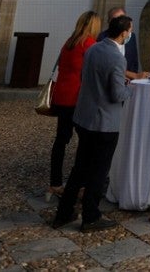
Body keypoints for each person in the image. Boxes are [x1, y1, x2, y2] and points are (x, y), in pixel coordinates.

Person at [51, 14, 131, 232]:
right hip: (104, 121)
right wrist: (129, 89)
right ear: (124, 33)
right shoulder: (117, 58)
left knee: (80, 168)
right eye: (129, 31)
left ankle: (64, 213)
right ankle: (91, 215)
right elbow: (116, 94)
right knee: (98, 170)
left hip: (84, 116)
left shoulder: (93, 49)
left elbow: (87, 78)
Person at [49, 10, 100, 197]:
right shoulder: (90, 44)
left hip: (62, 95)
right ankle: (80, 184)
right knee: (87, 141)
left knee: (61, 140)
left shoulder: (69, 43)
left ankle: (55, 182)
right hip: (77, 97)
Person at [99, 7, 144, 80]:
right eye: (116, 20)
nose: (120, 23)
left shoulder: (131, 36)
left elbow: (134, 59)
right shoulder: (102, 38)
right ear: (109, 21)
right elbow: (107, 66)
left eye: (122, 19)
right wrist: (131, 75)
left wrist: (133, 77)